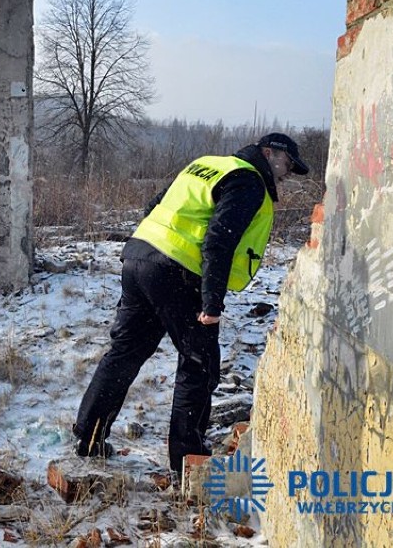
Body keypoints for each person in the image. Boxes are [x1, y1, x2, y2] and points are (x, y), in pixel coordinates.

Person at [73, 133, 310, 475]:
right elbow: (220, 240)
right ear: (269, 153)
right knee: (198, 365)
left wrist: (153, 250)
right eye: (288, 164)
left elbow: (153, 206)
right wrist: (212, 302)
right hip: (177, 272)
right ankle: (189, 465)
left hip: (139, 256)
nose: (287, 173)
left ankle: (89, 437)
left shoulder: (206, 165)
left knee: (125, 351)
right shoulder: (248, 180)